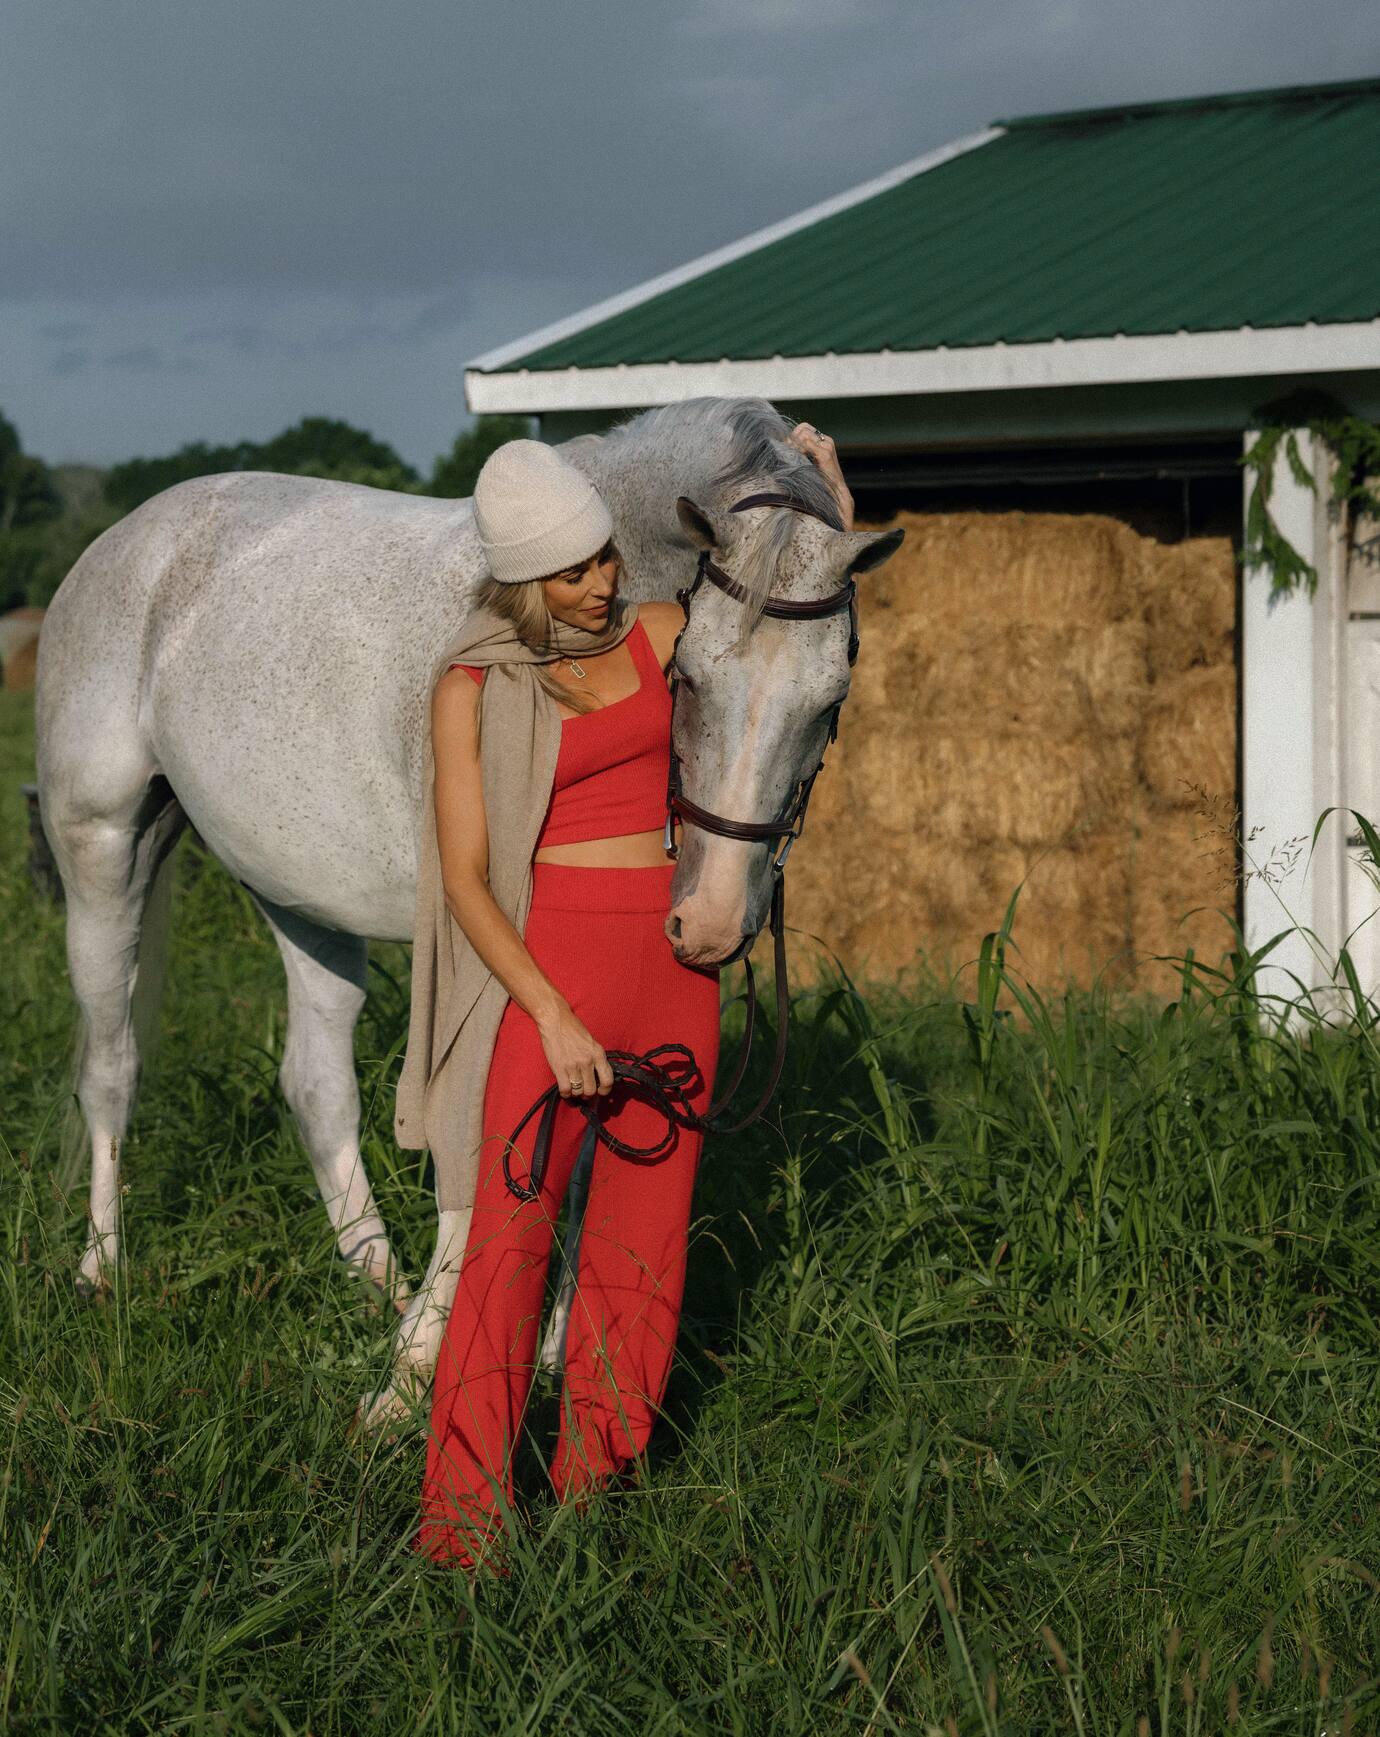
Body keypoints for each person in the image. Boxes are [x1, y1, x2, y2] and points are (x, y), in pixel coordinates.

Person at [409, 424, 852, 1571]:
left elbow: (798, 630)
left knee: (641, 1250)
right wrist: (551, 1016)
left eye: (605, 555)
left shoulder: (665, 633)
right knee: (508, 1246)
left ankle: (593, 1489)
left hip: (673, 970)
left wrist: (833, 505)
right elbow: (465, 881)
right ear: (521, 583)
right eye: (572, 572)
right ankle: (462, 1526)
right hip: (552, 978)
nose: (603, 582)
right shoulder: (471, 688)